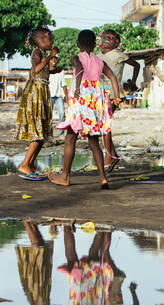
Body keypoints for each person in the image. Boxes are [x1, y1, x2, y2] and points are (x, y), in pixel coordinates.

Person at [50, 30, 121, 189]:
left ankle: (65, 176)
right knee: (94, 141)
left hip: (81, 98)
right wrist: (117, 96)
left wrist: (77, 86)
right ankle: (103, 178)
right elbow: (112, 77)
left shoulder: (76, 57)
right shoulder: (99, 61)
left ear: (78, 45)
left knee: (70, 137)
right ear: (95, 46)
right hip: (94, 101)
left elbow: (79, 67)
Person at [16, 25, 60, 181]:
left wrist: (54, 69)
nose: (52, 42)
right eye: (50, 39)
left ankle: (31, 165)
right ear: (42, 40)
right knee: (38, 131)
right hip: (35, 93)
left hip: (42, 91)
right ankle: (24, 164)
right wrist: (50, 57)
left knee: (43, 133)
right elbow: (36, 70)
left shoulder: (41, 53)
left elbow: (43, 70)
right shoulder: (37, 52)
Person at [97, 29, 140, 172]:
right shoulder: (97, 56)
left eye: (112, 37)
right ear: (100, 40)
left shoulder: (118, 55)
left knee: (105, 125)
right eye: (106, 37)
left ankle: (109, 156)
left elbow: (136, 65)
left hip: (112, 94)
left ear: (117, 42)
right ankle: (112, 154)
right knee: (102, 125)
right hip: (98, 94)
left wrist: (133, 82)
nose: (108, 39)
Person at [48, 56, 67, 137]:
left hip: (59, 95)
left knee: (62, 113)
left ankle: (61, 133)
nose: (54, 61)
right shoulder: (47, 71)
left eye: (55, 60)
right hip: (49, 95)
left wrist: (66, 96)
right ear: (49, 61)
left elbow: (64, 84)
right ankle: (48, 133)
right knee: (49, 115)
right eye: (52, 59)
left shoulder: (60, 71)